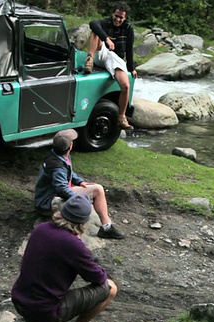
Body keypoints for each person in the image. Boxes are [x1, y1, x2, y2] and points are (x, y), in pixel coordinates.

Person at [12, 194, 118, 322]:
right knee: (111, 288)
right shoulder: (74, 245)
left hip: (20, 302)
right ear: (83, 221)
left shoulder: (41, 229)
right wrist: (86, 255)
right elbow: (97, 278)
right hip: (43, 313)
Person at [33, 128, 126, 239]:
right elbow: (61, 189)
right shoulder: (57, 166)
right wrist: (80, 200)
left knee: (98, 189)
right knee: (78, 209)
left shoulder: (58, 155)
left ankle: (106, 227)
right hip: (48, 202)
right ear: (70, 146)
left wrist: (79, 181)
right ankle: (72, 239)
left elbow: (69, 172)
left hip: (55, 195)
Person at [84, 1, 137, 129]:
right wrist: (106, 38)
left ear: (125, 18)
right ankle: (89, 59)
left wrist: (132, 68)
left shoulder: (128, 28)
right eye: (116, 16)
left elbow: (129, 49)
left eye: (121, 17)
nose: (118, 19)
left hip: (116, 58)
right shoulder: (105, 23)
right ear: (112, 14)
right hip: (101, 53)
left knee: (125, 86)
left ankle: (121, 117)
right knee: (95, 31)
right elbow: (93, 24)